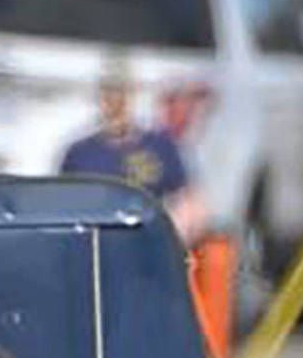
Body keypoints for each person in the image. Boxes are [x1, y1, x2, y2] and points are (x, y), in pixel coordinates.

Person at [59, 58, 206, 239]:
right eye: (109, 94)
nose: (116, 103)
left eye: (123, 94)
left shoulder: (160, 146)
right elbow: (64, 207)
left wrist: (176, 236)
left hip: (149, 239)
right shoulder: (80, 153)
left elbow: (188, 200)